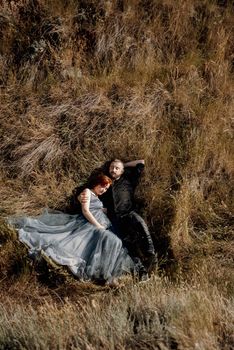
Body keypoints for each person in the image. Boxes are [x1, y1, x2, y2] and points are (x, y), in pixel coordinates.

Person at [8, 174, 134, 285]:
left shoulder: (96, 196)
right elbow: (85, 210)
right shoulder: (87, 192)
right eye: (103, 186)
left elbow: (95, 209)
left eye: (106, 189)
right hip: (90, 225)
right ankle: (106, 275)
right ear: (97, 183)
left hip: (98, 225)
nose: (104, 190)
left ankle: (108, 274)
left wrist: (104, 211)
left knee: (115, 242)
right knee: (110, 240)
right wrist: (98, 225)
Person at [80, 159, 156, 282]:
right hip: (114, 219)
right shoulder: (106, 185)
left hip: (128, 213)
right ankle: (140, 271)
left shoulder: (127, 180)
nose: (113, 170)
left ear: (122, 171)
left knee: (141, 224)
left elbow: (141, 162)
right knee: (125, 244)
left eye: (116, 168)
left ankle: (151, 254)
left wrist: (123, 165)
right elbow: (94, 199)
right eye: (111, 167)